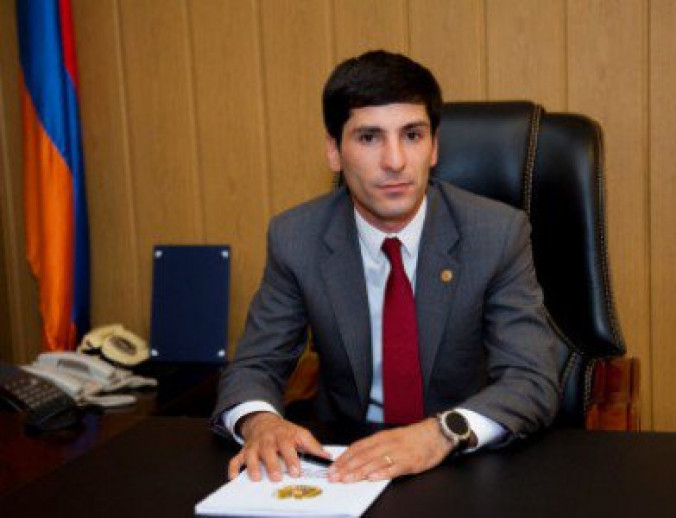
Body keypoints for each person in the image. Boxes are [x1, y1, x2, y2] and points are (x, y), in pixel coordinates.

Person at [212, 50, 560, 484]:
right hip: (344, 463)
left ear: (434, 147)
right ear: (334, 152)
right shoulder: (296, 238)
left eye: (412, 135)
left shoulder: (497, 234)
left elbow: (532, 378)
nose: (394, 161)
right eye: (369, 137)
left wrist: (440, 433)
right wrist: (261, 422)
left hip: (462, 462)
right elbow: (254, 367)